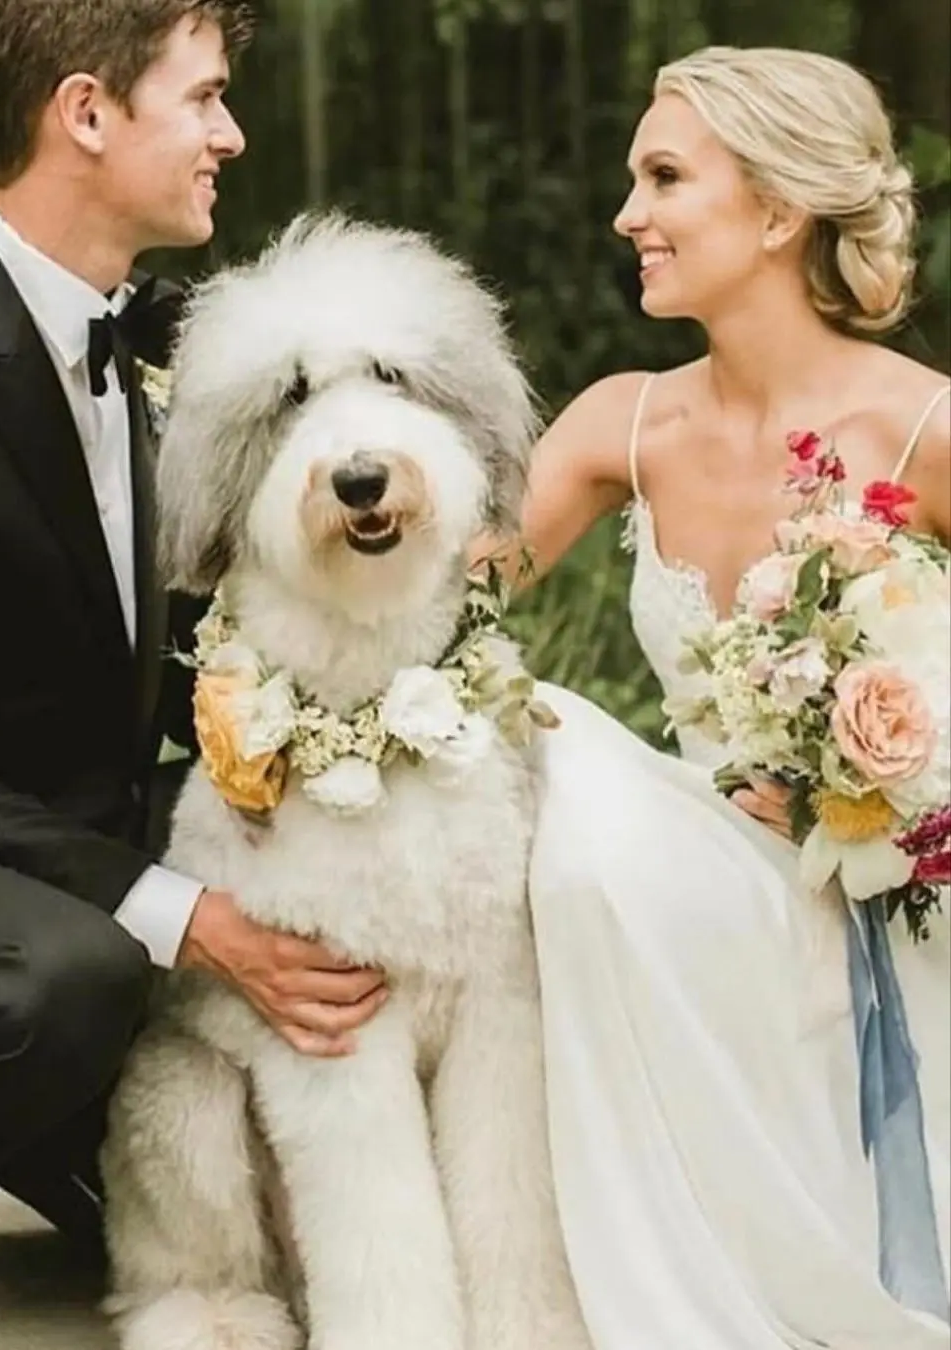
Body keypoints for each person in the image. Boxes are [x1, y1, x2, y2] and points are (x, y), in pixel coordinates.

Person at [0, 3, 388, 1347]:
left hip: (76, 809)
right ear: (87, 113)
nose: (234, 133)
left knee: (355, 839)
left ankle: (57, 1120)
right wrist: (183, 912)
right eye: (204, 98)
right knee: (76, 977)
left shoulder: (166, 340)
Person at [503, 46, 950, 1350]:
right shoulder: (619, 425)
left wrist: (897, 797)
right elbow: (433, 604)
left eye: (662, 177)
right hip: (694, 869)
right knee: (551, 754)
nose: (625, 215)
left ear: (774, 211)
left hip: (888, 900)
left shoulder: (923, 428)